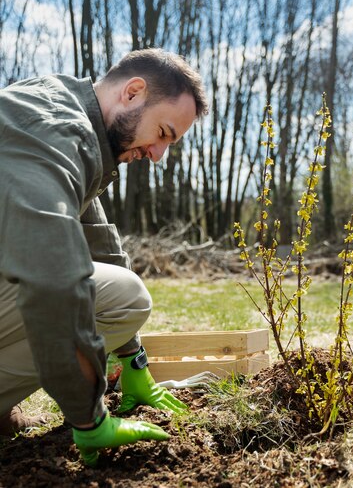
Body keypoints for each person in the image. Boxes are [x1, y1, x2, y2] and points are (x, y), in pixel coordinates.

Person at [0, 48, 208, 465]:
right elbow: (53, 276)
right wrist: (90, 418)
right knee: (126, 296)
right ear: (133, 92)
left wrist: (134, 360)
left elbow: (95, 239)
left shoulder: (67, 108)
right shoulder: (56, 132)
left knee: (119, 290)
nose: (157, 155)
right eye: (163, 133)